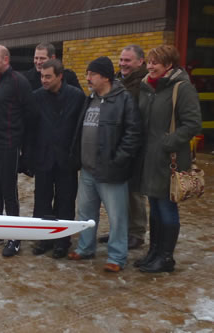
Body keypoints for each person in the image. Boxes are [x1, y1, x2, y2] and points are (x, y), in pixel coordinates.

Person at [68, 56, 141, 273]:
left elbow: (133, 133)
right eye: (88, 74)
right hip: (88, 170)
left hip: (112, 171)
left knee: (117, 217)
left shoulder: (123, 100)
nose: (88, 78)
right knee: (85, 214)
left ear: (106, 77)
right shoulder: (90, 99)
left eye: (92, 74)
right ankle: (85, 247)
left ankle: (117, 257)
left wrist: (119, 159)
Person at [136, 45, 201, 273]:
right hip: (150, 159)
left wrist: (167, 143)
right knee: (154, 206)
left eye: (156, 63)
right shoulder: (148, 87)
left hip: (168, 159)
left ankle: (166, 258)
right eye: (149, 62)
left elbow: (193, 123)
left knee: (166, 207)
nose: (150, 66)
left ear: (169, 65)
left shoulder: (182, 88)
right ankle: (154, 252)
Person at [0, 45, 36, 257]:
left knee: (8, 193)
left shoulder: (18, 82)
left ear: (6, 59)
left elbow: (30, 116)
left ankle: (14, 237)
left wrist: (25, 150)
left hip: (8, 145)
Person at [29, 59, 85, 259]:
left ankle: (62, 241)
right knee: (42, 201)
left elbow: (80, 130)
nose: (43, 80)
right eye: (42, 76)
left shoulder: (77, 97)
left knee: (65, 201)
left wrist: (76, 156)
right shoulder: (36, 97)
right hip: (43, 158)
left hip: (66, 160)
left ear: (60, 76)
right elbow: (32, 129)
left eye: (48, 76)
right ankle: (43, 239)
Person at [98, 45, 149, 249]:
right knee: (118, 192)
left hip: (136, 145)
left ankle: (136, 232)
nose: (122, 64)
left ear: (140, 62)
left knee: (134, 192)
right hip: (115, 144)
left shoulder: (144, 85)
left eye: (128, 60)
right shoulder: (117, 82)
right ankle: (118, 230)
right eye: (121, 60)